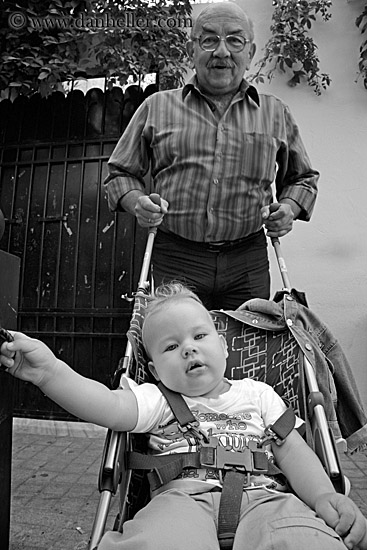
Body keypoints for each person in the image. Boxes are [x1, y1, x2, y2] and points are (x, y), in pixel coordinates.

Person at [1, 283, 367, 550]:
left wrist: (321, 496)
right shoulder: (157, 399)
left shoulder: (258, 393)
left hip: (267, 497)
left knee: (303, 538)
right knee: (159, 541)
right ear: (156, 370)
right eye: (172, 346)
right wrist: (49, 373)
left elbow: (291, 450)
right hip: (182, 499)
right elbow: (105, 405)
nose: (189, 347)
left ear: (223, 346)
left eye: (200, 335)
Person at [104, 2, 319, 310]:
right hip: (176, 257)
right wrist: (137, 202)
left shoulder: (275, 113)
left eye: (235, 40)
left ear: (251, 52)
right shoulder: (156, 107)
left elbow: (303, 178)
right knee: (180, 352)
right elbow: (120, 173)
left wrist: (288, 208)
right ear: (193, 50)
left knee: (248, 354)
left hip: (248, 261)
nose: (221, 51)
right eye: (209, 39)